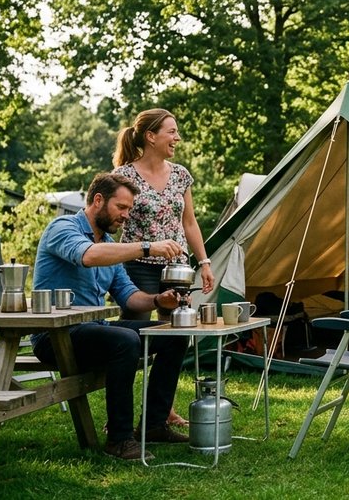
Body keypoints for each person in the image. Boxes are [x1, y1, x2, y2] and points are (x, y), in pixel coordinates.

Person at [31, 173, 190, 461]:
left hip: (93, 331)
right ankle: (119, 439)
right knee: (125, 339)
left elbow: (129, 296)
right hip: (54, 335)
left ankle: (153, 425)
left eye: (129, 209)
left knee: (173, 333)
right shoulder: (63, 228)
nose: (126, 216)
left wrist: (158, 299)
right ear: (98, 200)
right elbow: (88, 256)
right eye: (122, 207)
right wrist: (146, 246)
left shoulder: (109, 244)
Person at [113, 108, 214, 427]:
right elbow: (114, 222)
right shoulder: (124, 176)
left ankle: (160, 411)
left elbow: (189, 222)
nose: (177, 137)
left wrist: (205, 262)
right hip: (136, 268)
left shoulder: (181, 174)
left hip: (177, 270)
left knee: (176, 338)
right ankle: (121, 416)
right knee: (133, 343)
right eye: (171, 132)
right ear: (150, 136)